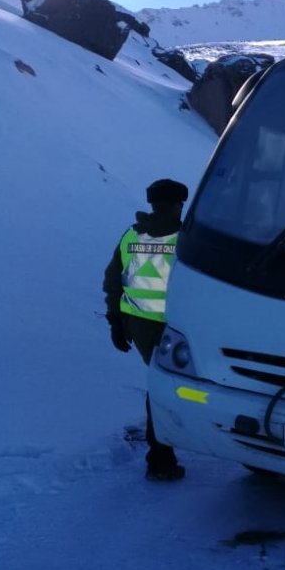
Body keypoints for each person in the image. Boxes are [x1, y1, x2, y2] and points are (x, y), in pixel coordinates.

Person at [103, 178, 189, 481]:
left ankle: (163, 452)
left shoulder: (131, 235)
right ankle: (160, 458)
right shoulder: (187, 238)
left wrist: (115, 321)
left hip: (138, 325)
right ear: (179, 204)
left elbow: (113, 279)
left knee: (160, 383)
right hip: (178, 327)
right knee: (171, 387)